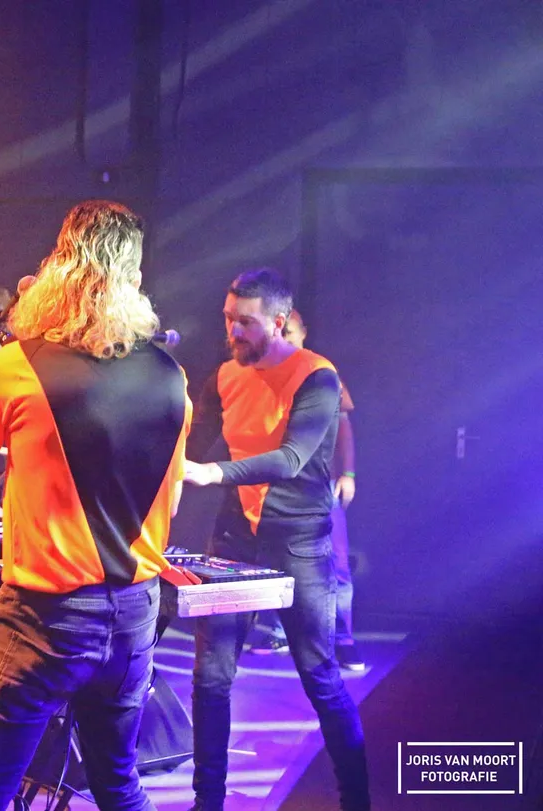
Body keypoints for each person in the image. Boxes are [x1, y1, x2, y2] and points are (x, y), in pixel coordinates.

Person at [0, 200, 194, 811]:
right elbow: (170, 493)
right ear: (135, 280)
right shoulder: (172, 377)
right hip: (134, 615)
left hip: (44, 620)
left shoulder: (13, 368)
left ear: (57, 270)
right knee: (119, 786)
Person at [182, 269, 369, 811]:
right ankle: (207, 804)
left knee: (320, 677)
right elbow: (200, 444)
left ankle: (357, 801)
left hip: (298, 543)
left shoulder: (317, 375)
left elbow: (291, 459)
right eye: (228, 319)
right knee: (211, 677)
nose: (233, 331)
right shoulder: (225, 376)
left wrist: (213, 473)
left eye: (246, 322)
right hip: (234, 537)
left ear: (279, 321)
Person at [251, 308, 364, 670]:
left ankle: (342, 639)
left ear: (302, 333)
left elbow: (343, 427)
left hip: (320, 485)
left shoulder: (322, 373)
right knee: (274, 561)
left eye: (290, 333)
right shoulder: (264, 374)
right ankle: (279, 631)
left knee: (335, 563)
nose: (284, 340)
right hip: (279, 487)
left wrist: (347, 473)